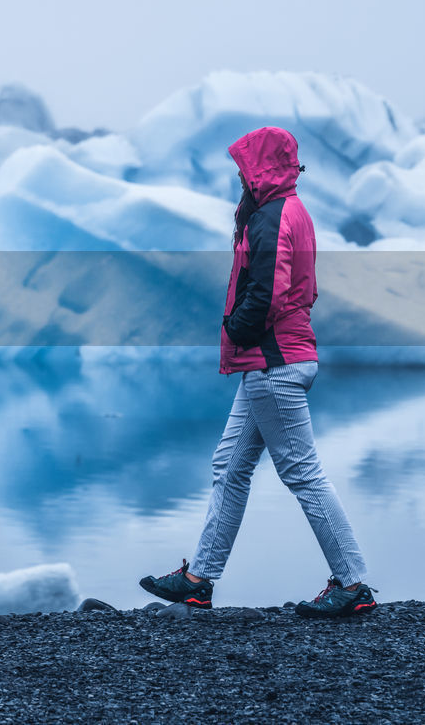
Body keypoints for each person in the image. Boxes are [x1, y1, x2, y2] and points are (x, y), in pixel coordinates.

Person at [139, 126, 377, 618]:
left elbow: (269, 289)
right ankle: (198, 580)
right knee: (229, 466)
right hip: (275, 361)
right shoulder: (294, 211)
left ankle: (353, 584)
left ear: (259, 168)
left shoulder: (270, 217)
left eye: (245, 167)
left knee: (303, 475)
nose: (240, 177)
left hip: (274, 362)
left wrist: (236, 327)